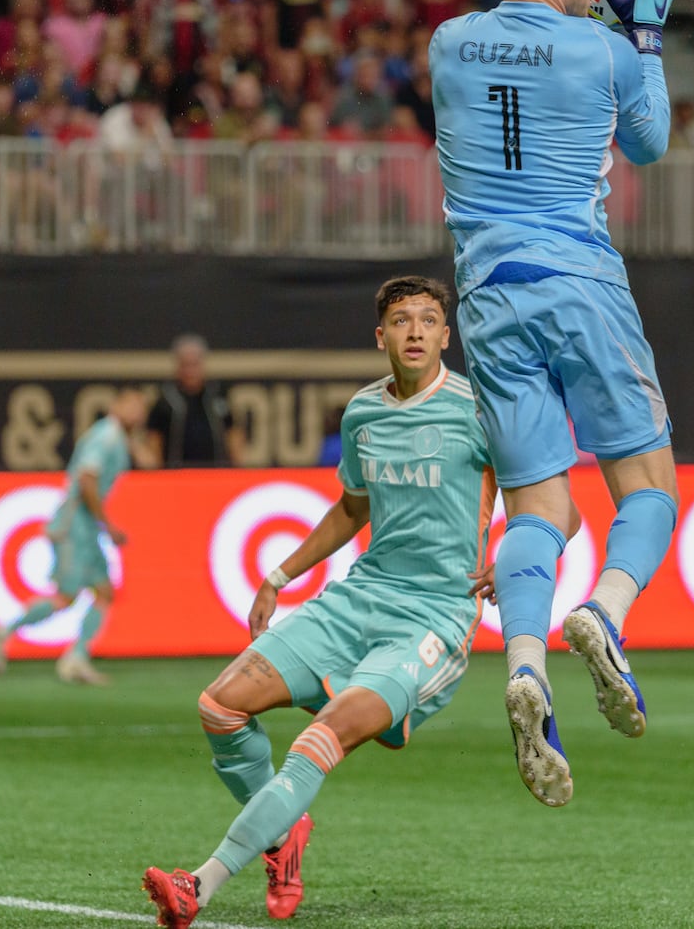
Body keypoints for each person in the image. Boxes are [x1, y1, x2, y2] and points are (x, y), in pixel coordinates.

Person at [141, 276, 509, 927]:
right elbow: (352, 509)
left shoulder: (480, 411)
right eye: (402, 320)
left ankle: (198, 881)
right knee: (219, 706)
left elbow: (549, 501)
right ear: (381, 337)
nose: (416, 331)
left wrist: (518, 557)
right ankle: (283, 836)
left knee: (321, 734)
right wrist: (280, 573)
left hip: (433, 618)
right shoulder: (364, 412)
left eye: (428, 320)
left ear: (447, 336)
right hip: (359, 598)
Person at [428, 0, 679, 808]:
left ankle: (525, 663)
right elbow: (649, 143)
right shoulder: (602, 51)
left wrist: (593, 7)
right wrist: (642, 31)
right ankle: (604, 613)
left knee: (544, 505)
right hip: (579, 280)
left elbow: (518, 63)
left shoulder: (448, 43)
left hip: (489, 293)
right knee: (648, 487)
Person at [0, 387, 149, 684]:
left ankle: (78, 656)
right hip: (74, 525)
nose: (137, 412)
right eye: (131, 404)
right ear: (115, 406)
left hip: (86, 527)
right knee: (66, 596)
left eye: (141, 407)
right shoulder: (106, 436)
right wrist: (107, 524)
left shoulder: (117, 437)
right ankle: (3, 631)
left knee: (104, 591)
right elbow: (87, 481)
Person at [146, 334, 244, 468]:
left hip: (216, 473)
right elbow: (154, 439)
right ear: (178, 366)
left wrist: (239, 466)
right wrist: (158, 473)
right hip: (176, 475)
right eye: (186, 365)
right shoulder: (166, 399)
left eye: (194, 365)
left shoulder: (217, 394)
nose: (190, 371)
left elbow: (232, 432)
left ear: (203, 364)